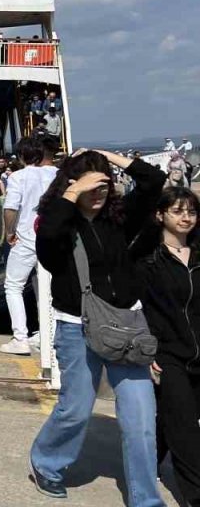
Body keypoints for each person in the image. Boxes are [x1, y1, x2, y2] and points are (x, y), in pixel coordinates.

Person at [29, 149, 165, 504]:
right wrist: (74, 191)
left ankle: (146, 499)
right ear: (72, 185)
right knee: (75, 410)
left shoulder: (119, 219)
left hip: (126, 328)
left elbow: (154, 181)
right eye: (91, 185)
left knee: (141, 419)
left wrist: (106, 156)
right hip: (77, 328)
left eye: (104, 184)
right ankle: (47, 463)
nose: (99, 192)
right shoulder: (59, 224)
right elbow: (47, 247)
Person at [140, 186, 200, 503]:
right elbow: (141, 309)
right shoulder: (149, 262)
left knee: (170, 418)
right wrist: (150, 347)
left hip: (198, 352)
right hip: (169, 354)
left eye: (191, 211)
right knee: (185, 427)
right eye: (177, 211)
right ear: (160, 215)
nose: (185, 217)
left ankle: (145, 462)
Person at [0, 137, 59, 355]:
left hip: (26, 238)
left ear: (21, 156)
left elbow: (11, 208)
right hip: (52, 239)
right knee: (47, 289)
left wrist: (9, 232)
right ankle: (48, 334)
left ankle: (20, 338)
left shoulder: (18, 177)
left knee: (13, 286)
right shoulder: (57, 174)